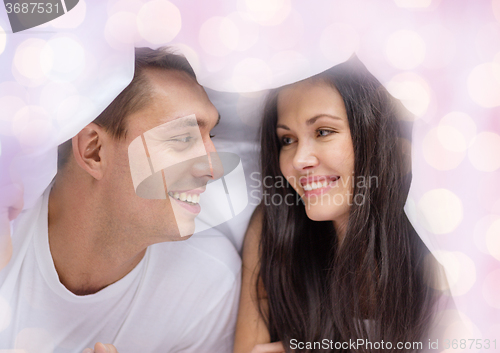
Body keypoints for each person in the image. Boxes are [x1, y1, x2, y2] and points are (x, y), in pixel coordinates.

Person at [0, 47, 241, 353]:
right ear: (94, 151)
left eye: (211, 138)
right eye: (183, 139)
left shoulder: (208, 284)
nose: (213, 168)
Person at [234, 57, 443, 353]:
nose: (298, 160)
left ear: (375, 135)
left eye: (323, 132)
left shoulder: (436, 239)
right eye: (287, 139)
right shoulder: (272, 227)